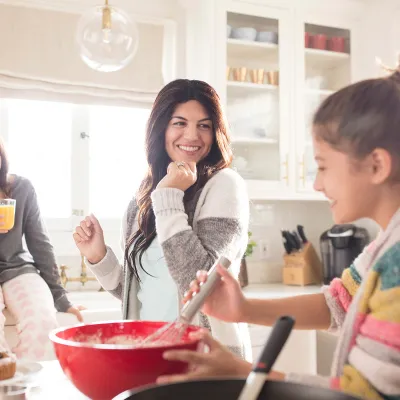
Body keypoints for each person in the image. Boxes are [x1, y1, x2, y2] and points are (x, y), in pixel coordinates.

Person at [157, 69, 400, 399]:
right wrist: (243, 309)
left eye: (323, 165)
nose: (316, 183)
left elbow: (365, 397)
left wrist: (246, 374)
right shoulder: (385, 248)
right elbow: (338, 303)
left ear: (376, 166)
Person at [73, 79, 251, 359]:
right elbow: (139, 291)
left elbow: (203, 286)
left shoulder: (224, 185)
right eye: (179, 123)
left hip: (206, 360)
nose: (192, 135)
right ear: (161, 128)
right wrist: (99, 257)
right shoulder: (143, 198)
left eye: (204, 125)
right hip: (148, 354)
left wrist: (168, 196)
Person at [0, 139, 83, 361]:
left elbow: (40, 242)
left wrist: (60, 296)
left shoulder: (20, 189)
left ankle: (19, 383)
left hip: (17, 269)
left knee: (42, 322)